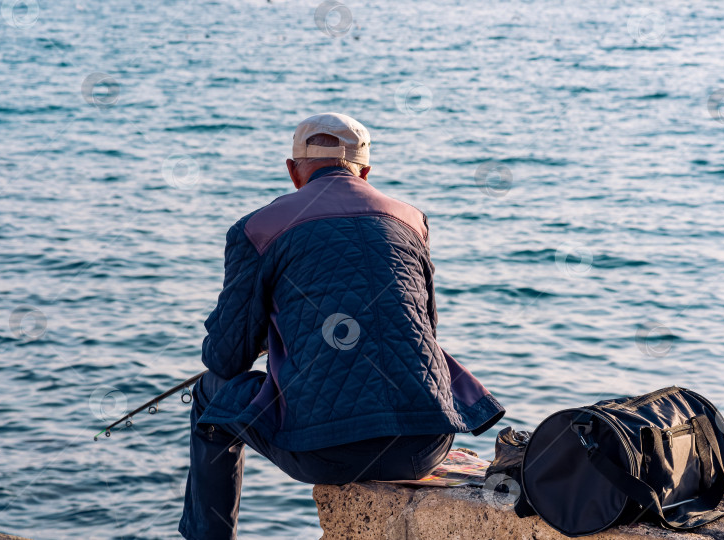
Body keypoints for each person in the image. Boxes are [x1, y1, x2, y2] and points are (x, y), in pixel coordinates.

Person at [178, 112, 505, 540]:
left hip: (325, 454)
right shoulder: (411, 221)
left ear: (294, 172)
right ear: (365, 172)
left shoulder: (256, 229)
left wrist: (266, 331)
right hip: (424, 446)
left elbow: (225, 357)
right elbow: (423, 330)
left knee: (209, 394)